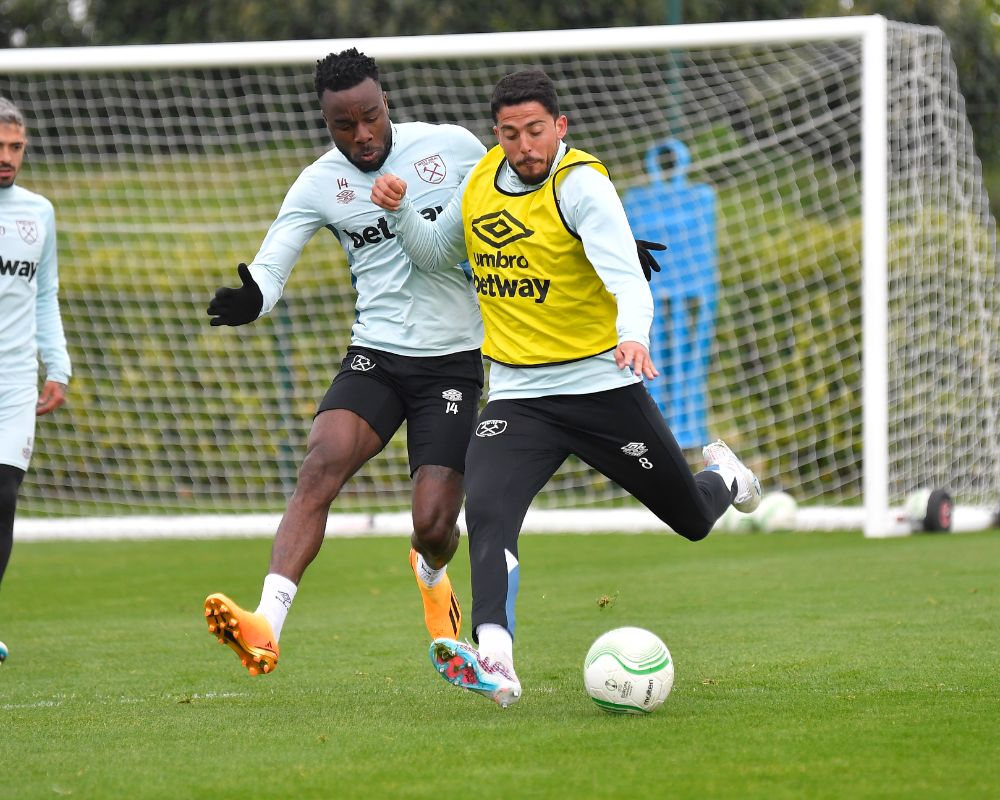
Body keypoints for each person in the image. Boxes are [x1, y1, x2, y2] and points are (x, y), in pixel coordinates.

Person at [370, 69, 761, 707]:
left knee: (691, 518)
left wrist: (634, 335)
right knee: (489, 514)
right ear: (495, 133)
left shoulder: (581, 185)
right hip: (520, 395)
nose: (524, 146)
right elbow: (436, 256)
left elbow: (628, 277)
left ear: (560, 127)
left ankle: (729, 479)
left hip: (602, 386)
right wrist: (402, 210)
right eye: (509, 133)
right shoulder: (478, 183)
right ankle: (496, 658)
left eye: (535, 131)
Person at [203, 49, 487, 676]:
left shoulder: (453, 147)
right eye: (344, 124)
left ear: (387, 102)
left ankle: (432, 573)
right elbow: (274, 259)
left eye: (371, 117)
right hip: (377, 356)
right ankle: (266, 624)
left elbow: (527, 190)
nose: (362, 135)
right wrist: (255, 295)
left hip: (452, 362)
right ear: (325, 122)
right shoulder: (318, 184)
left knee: (434, 524)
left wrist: (599, 240)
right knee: (320, 466)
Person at [0, 97, 72, 650]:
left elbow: (44, 295)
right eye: (0, 146)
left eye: (16, 147)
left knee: (4, 495)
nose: (8, 157)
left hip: (15, 380)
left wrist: (59, 366)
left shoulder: (37, 212)